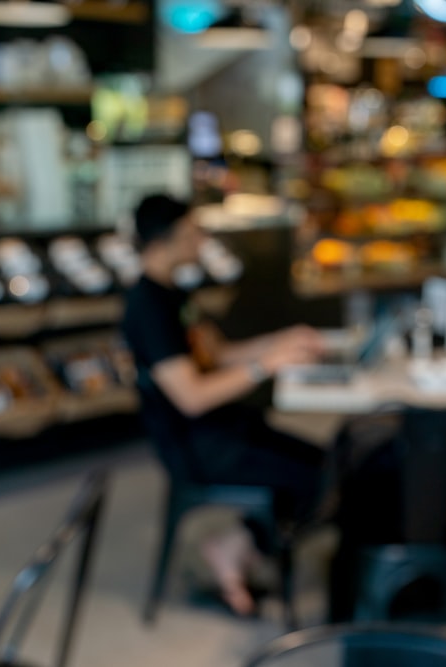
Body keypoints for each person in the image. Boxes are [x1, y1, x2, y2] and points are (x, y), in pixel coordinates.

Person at [122, 194, 328, 616]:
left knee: (329, 463)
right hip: (201, 447)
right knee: (319, 479)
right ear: (168, 240)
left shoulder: (174, 293)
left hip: (228, 428)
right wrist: (265, 366)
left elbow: (217, 354)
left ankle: (239, 546)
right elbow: (192, 397)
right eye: (194, 232)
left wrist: (279, 343)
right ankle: (235, 546)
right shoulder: (148, 308)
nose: (202, 240)